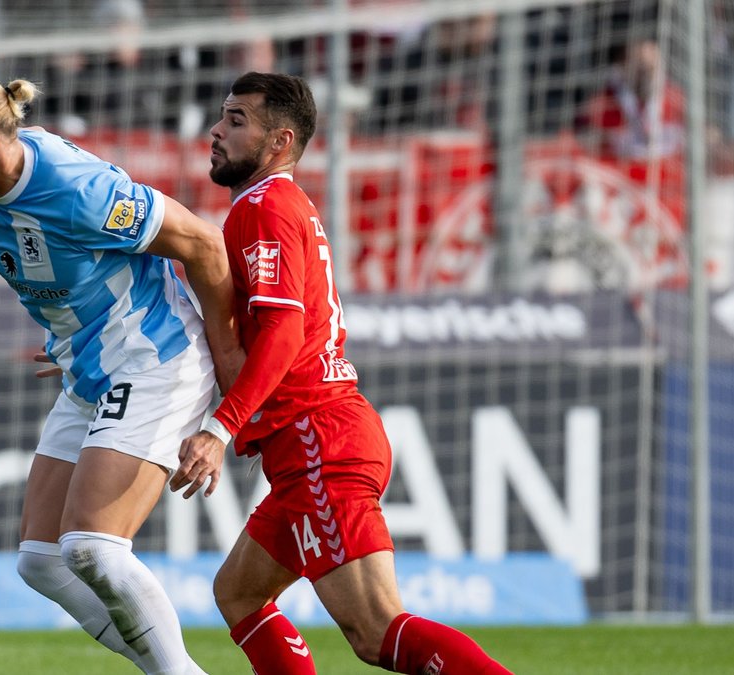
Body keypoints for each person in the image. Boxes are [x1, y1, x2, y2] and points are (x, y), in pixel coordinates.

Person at [171, 72, 513, 675]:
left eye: (236, 120)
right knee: (239, 593)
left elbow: (283, 335)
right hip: (321, 438)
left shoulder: (264, 207)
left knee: (374, 630)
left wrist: (219, 428)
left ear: (279, 141)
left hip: (315, 440)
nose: (216, 132)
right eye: (221, 116)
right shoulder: (283, 205)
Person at [0, 72, 240, 674]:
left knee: (93, 547)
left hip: (154, 356)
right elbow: (65, 267)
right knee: (41, 559)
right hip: (87, 367)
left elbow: (204, 245)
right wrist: (68, 333)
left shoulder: (77, 190)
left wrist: (229, 374)